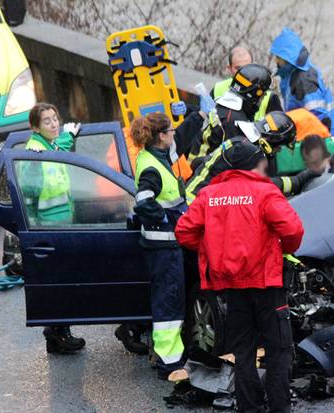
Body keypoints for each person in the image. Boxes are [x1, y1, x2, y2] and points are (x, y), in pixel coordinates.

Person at [175, 141, 304, 413]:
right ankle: (279, 408)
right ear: (254, 164)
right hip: (267, 285)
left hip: (232, 288)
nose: (266, 166)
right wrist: (283, 250)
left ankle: (249, 408)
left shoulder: (209, 194)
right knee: (278, 350)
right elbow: (293, 230)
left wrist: (214, 249)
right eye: (262, 162)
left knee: (243, 352)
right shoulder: (265, 191)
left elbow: (184, 232)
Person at [23, 102, 85, 354]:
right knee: (59, 281)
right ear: (35, 127)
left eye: (55, 118)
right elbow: (29, 191)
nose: (54, 124)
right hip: (48, 227)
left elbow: (60, 149)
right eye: (47, 121)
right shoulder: (36, 153)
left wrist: (69, 135)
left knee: (63, 279)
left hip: (60, 223)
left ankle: (60, 332)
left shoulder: (49, 145)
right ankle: (57, 333)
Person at [130, 112, 187, 379]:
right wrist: (165, 218)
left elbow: (180, 150)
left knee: (167, 299)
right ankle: (169, 362)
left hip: (163, 245)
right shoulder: (152, 166)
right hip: (163, 245)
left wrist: (196, 118)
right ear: (162, 136)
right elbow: (143, 201)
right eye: (172, 131)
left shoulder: (154, 156)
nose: (174, 134)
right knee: (168, 303)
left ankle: (163, 353)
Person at [185, 111, 319, 202]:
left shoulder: (242, 140)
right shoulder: (251, 152)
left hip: (194, 196)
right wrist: (298, 180)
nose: (278, 150)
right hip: (196, 205)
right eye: (279, 146)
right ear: (272, 141)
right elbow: (263, 188)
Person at [188, 63, 273, 168]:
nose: (264, 97)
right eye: (263, 94)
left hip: (198, 165)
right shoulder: (233, 120)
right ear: (253, 94)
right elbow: (234, 158)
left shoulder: (226, 106)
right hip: (203, 171)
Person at [270, 27, 334, 140]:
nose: (276, 61)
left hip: (320, 138)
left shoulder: (304, 80)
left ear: (287, 58)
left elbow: (318, 116)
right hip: (306, 132)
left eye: (278, 57)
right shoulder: (290, 75)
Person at [209, 46, 282, 120]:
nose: (244, 72)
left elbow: (279, 127)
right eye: (238, 68)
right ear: (229, 68)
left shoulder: (268, 96)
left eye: (247, 67)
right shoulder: (218, 89)